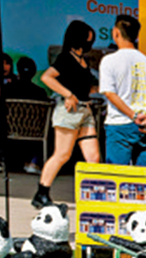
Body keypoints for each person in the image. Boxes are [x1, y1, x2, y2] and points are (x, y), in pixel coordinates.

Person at [35, 20, 100, 208]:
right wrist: (68, 94)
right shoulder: (65, 58)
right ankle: (41, 193)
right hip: (69, 111)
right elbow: (46, 77)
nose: (90, 41)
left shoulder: (84, 61)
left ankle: (92, 195)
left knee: (93, 156)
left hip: (85, 111)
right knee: (62, 154)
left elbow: (86, 87)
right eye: (87, 38)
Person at [98, 15, 146, 168]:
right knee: (143, 181)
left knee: (116, 176)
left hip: (119, 125)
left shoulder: (109, 60)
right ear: (137, 36)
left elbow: (109, 93)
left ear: (116, 33)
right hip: (145, 128)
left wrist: (133, 115)